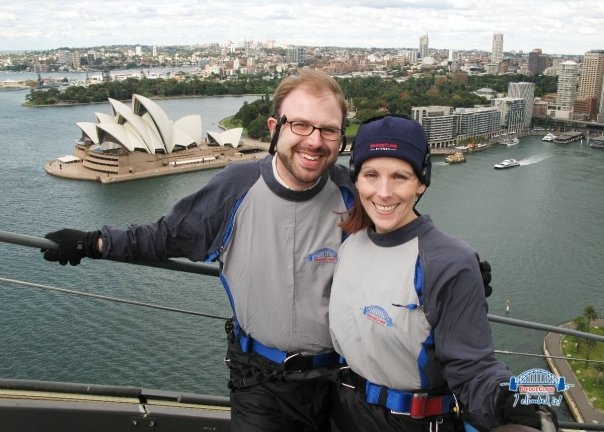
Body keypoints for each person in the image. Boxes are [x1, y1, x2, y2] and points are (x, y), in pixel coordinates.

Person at [41, 69, 356, 432]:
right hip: (263, 383)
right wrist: (91, 242)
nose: (314, 141)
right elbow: (166, 236)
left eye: (328, 129)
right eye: (300, 125)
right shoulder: (235, 188)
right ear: (274, 127)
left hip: (343, 380)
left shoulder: (353, 194)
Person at [328, 115, 557, 432]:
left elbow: (473, 369)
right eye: (371, 175)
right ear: (356, 179)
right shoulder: (350, 244)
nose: (383, 192)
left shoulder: (449, 262)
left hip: (411, 423)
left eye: (400, 177)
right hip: (342, 413)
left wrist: (513, 402)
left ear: (421, 181)